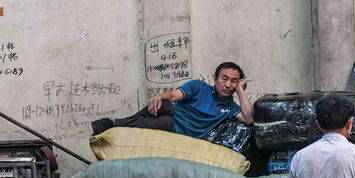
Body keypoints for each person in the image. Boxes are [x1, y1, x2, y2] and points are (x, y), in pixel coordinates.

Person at [90, 61, 254, 138]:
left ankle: (114, 123)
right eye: (224, 79)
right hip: (170, 113)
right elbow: (174, 95)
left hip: (175, 129)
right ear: (215, 78)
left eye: (234, 81)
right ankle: (121, 121)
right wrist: (159, 98)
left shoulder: (230, 108)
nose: (227, 84)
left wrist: (240, 90)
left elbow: (248, 118)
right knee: (166, 105)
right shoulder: (199, 87)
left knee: (166, 122)